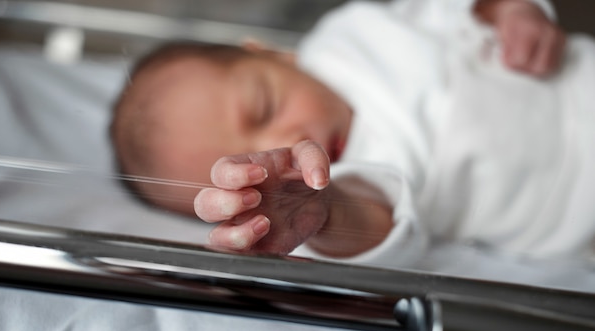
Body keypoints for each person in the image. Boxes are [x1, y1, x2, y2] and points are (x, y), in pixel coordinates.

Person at [111, 0, 595, 267]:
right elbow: (376, 221)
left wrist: (511, 12)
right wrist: (319, 212)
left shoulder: (352, 34)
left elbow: (454, 12)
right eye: (262, 166)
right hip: (577, 214)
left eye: (266, 105)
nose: (295, 137)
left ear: (275, 56)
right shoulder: (343, 180)